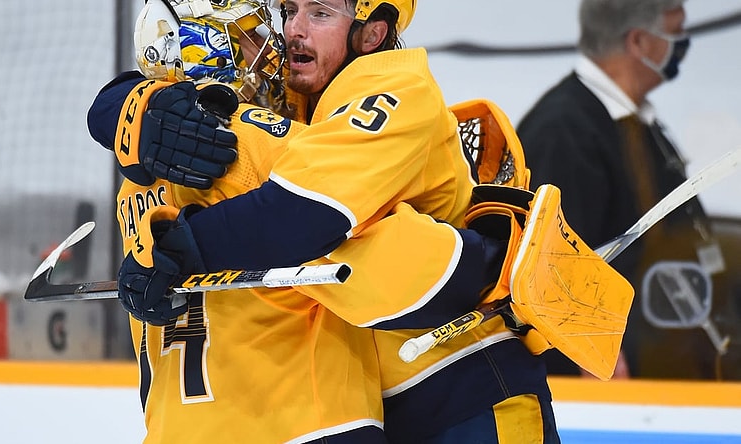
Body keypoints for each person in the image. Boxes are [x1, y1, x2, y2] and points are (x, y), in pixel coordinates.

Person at [91, 0, 561, 442]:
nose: (293, 29)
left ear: (372, 33)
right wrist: (133, 105)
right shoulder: (298, 105)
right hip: (388, 397)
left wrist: (176, 251)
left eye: (319, 13)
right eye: (290, 10)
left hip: (469, 384)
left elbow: (304, 214)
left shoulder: (398, 87)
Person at [517, 0, 722, 379]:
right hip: (618, 381)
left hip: (671, 353)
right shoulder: (562, 131)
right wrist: (595, 355)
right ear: (639, 42)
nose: (684, 43)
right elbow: (551, 266)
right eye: (676, 33)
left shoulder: (637, 122)